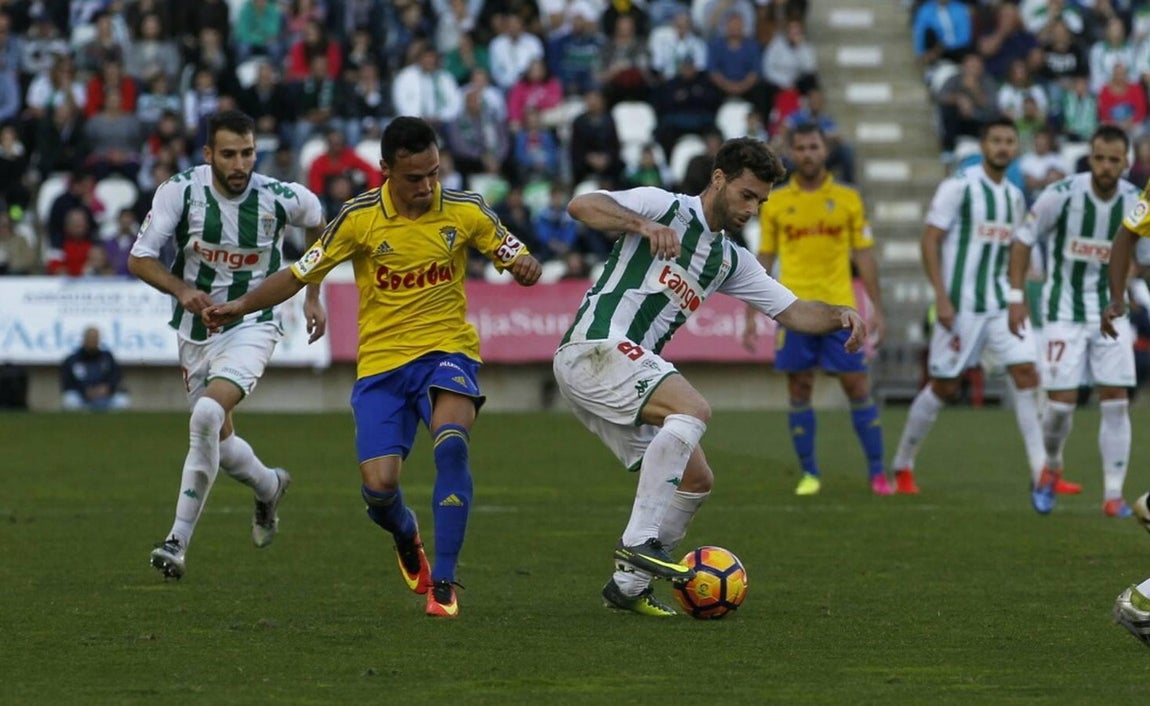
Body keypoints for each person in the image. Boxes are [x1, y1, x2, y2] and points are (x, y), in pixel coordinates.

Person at [202, 117, 543, 618]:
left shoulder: (466, 209)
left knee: (452, 444)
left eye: (433, 173)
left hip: (447, 352)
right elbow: (299, 274)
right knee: (380, 489)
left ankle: (444, 584)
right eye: (413, 177)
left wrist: (526, 266)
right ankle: (405, 533)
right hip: (382, 366)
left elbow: (515, 254)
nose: (426, 186)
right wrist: (242, 305)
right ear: (385, 170)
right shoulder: (359, 218)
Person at [553, 137, 866, 616]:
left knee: (697, 480)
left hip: (621, 367)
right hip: (592, 346)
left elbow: (795, 311)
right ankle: (639, 542)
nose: (753, 209)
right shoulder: (665, 206)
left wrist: (841, 313)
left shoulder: (729, 259)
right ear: (719, 178)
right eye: (746, 196)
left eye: (760, 201)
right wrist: (642, 224)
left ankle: (629, 585)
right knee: (693, 408)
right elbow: (582, 205)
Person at [127, 110, 328, 581]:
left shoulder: (279, 197)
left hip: (253, 322)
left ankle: (176, 541)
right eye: (229, 154)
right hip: (194, 328)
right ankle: (268, 485)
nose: (240, 164)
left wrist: (314, 294)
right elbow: (140, 258)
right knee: (219, 436)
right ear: (208, 155)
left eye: (248, 153)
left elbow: (321, 222)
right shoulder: (181, 191)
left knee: (205, 416)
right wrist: (182, 291)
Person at [889, 118, 1050, 495]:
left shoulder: (1013, 196)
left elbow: (1016, 253)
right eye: (996, 140)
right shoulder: (959, 187)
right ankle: (903, 464)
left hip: (998, 304)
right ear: (983, 144)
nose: (1003, 147)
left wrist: (1017, 298)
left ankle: (1042, 470)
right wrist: (941, 298)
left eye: (1009, 141)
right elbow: (930, 241)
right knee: (944, 387)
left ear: (1015, 149)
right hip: (960, 306)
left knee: (1027, 372)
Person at [741, 123, 888, 496]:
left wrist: (878, 309)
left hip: (841, 311)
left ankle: (877, 473)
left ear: (825, 151)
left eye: (814, 147)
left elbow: (864, 255)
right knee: (800, 387)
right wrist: (748, 313)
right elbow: (764, 257)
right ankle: (809, 474)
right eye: (801, 148)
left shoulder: (847, 199)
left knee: (857, 386)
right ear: (791, 152)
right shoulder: (776, 203)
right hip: (794, 311)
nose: (808, 154)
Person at [1008, 124, 1143, 516]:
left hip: (1112, 312)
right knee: (1062, 405)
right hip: (1063, 310)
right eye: (1098, 157)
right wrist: (1016, 297)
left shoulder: (1136, 202)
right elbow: (1023, 240)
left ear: (1125, 163)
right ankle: (1051, 467)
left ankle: (1113, 495)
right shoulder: (1062, 195)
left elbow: (1145, 259)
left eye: (1113, 160)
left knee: (1116, 401)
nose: (1104, 166)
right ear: (1089, 156)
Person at [60, 326, 131, 411]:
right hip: (82, 398)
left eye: (95, 338)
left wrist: (107, 388)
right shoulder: (73, 360)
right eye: (90, 338)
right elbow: (67, 383)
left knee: (122, 401)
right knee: (70, 399)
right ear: (84, 339)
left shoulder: (107, 357)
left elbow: (116, 376)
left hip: (105, 397)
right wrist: (85, 390)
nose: (93, 341)